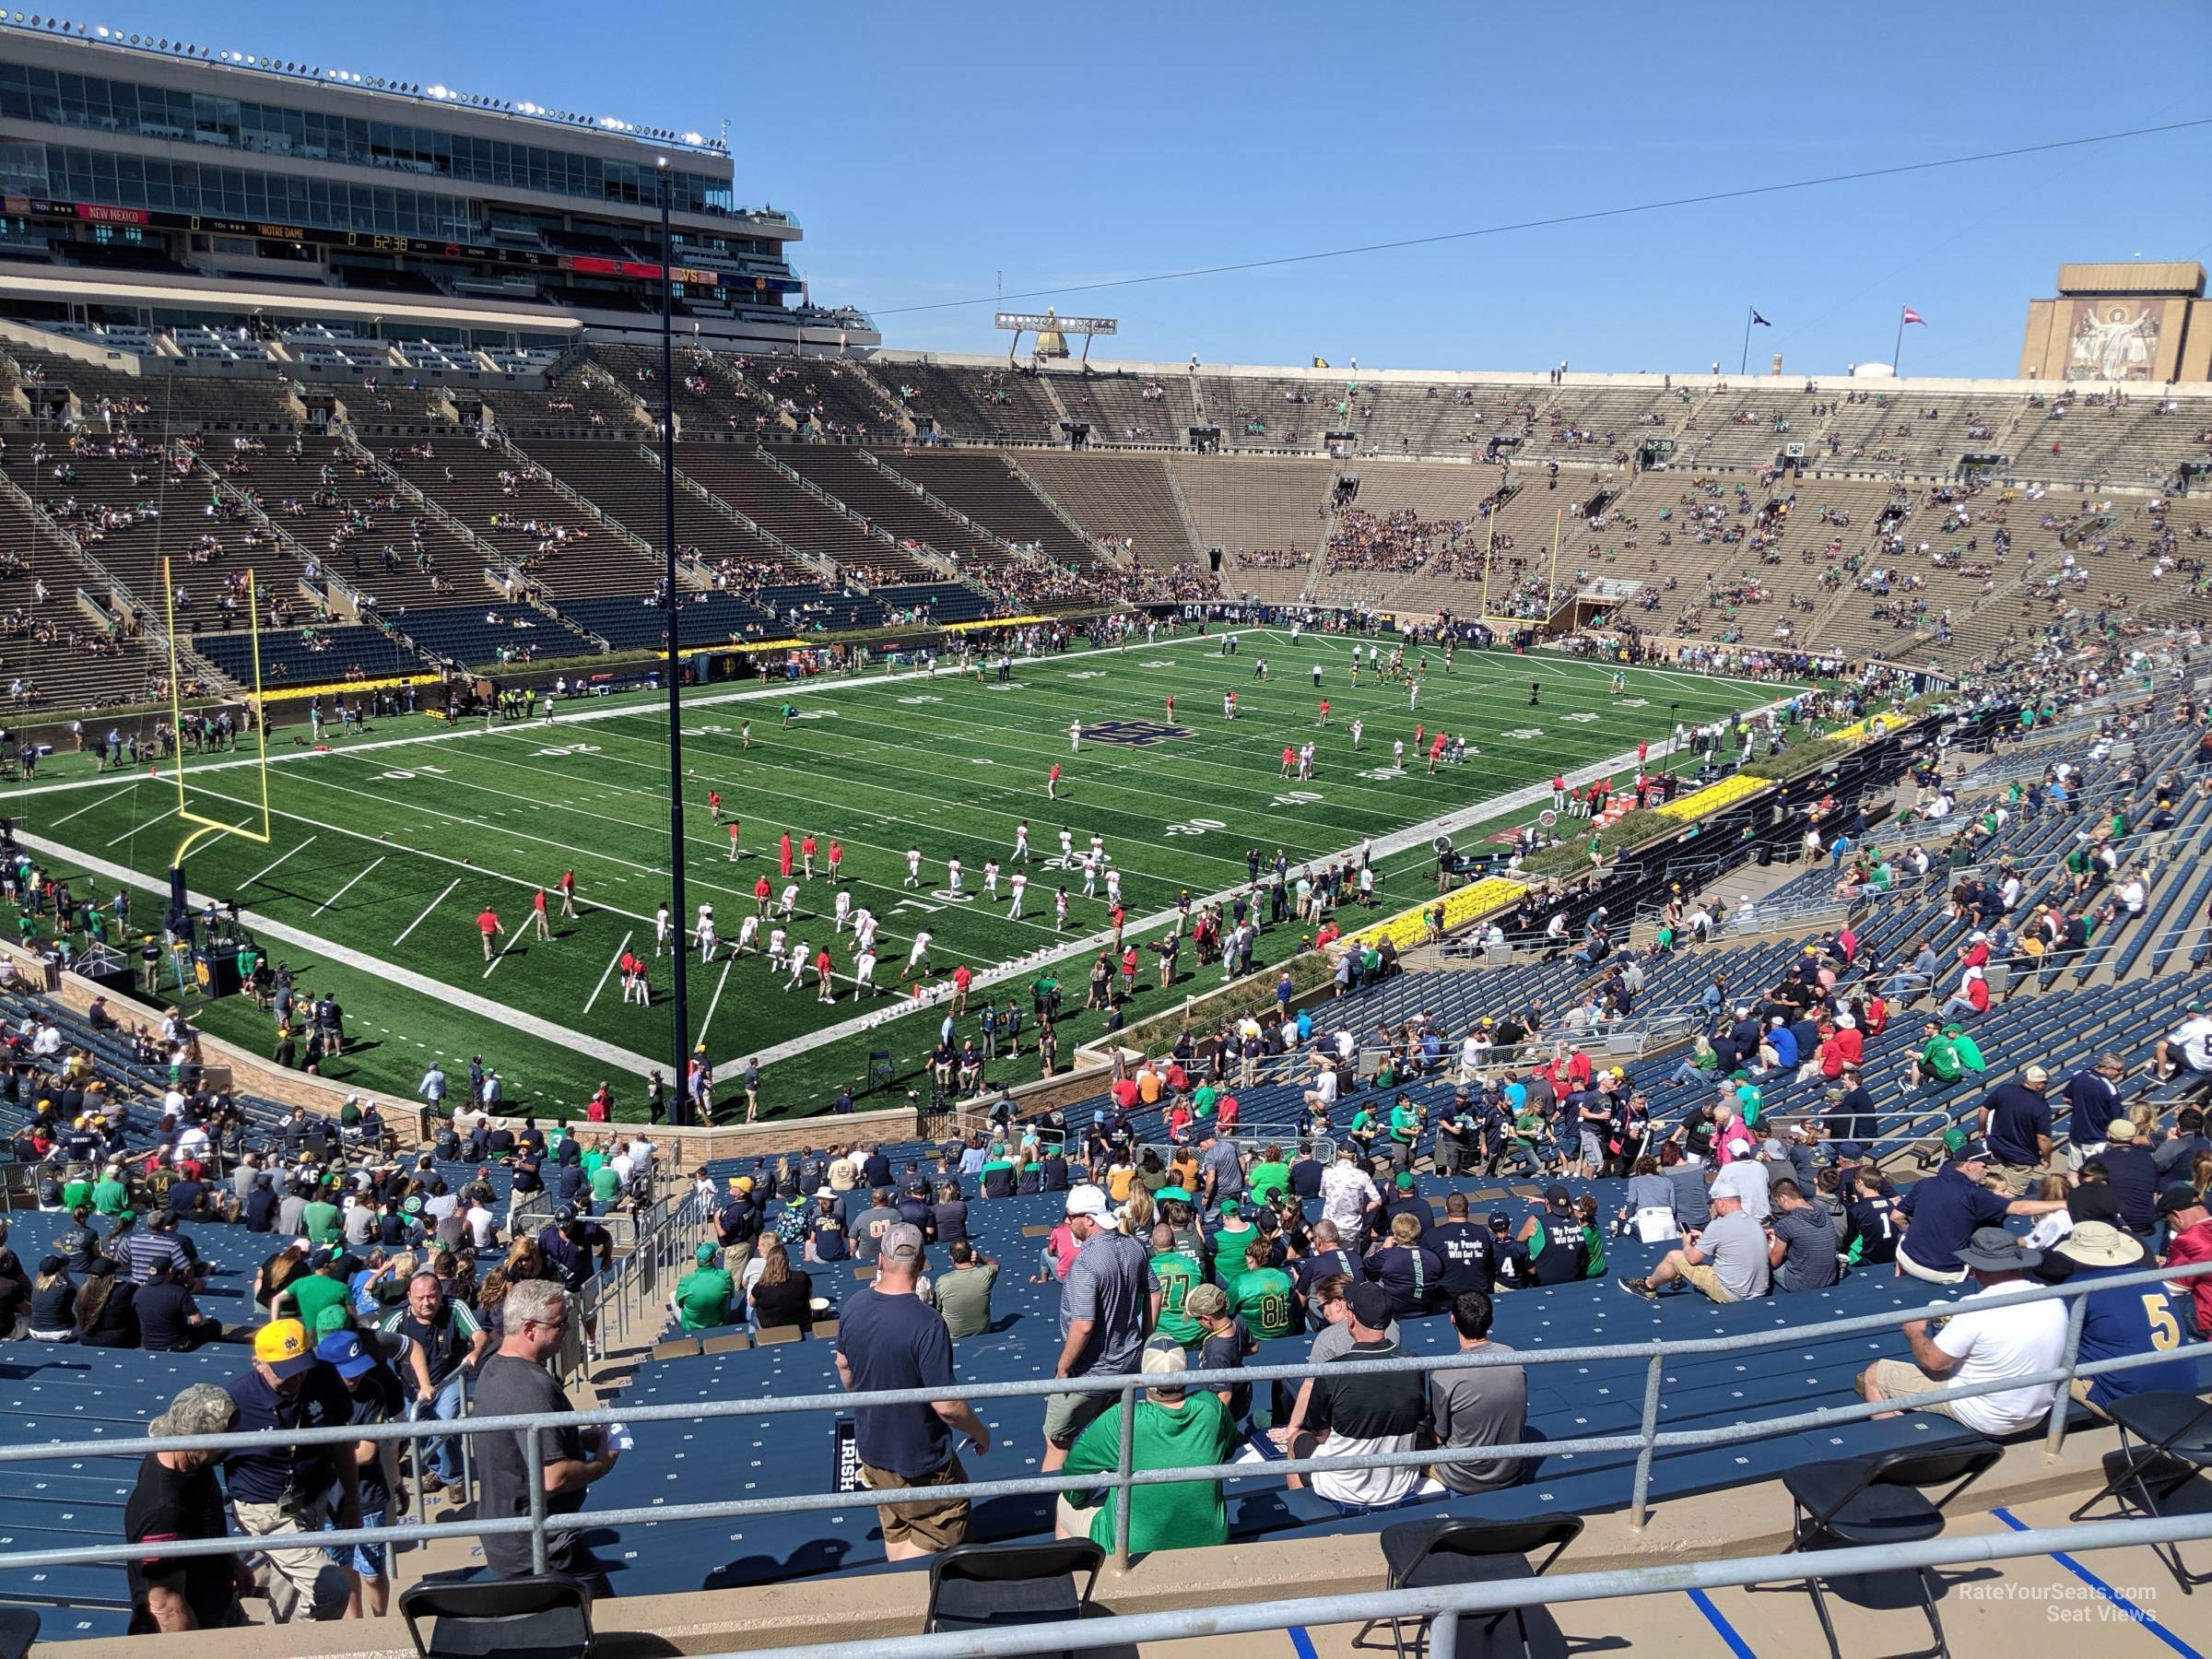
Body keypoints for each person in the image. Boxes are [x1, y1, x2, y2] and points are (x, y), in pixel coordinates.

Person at [835, 1224, 990, 1561]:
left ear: (880, 1259)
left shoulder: (853, 1305)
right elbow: (947, 1406)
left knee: (897, 1526)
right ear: (921, 1264)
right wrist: (979, 1432)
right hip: (921, 1457)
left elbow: (845, 1368)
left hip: (873, 1448)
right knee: (943, 1529)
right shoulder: (927, 1322)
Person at [470, 1278, 619, 1595]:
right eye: (560, 1322)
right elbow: (552, 1477)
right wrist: (602, 1464)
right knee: (605, 1621)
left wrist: (574, 1440)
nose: (566, 1329)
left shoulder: (494, 1368)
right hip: (542, 1547)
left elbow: (521, 1444)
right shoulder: (529, 1387)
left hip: (513, 1538)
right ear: (529, 1329)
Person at [1856, 1229, 2067, 1434]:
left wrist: (1915, 1332)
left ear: (1976, 1269)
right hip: (2035, 1409)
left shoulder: (1975, 1309)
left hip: (1986, 1414)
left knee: (1875, 1373)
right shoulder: (2054, 1300)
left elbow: (1933, 1361)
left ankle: (1895, 1444)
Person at [223, 1319, 361, 1622]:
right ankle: (300, 1648)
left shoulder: (323, 1377)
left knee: (290, 1590)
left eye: (300, 1366)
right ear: (259, 1363)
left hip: (312, 1500)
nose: (296, 1378)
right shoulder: (235, 1401)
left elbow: (341, 1440)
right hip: (264, 1509)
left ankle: (278, 1644)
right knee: (331, 1587)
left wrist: (352, 1499)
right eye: (285, 1371)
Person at [1054, 1345, 1240, 1554]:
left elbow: (1074, 1474)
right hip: (1211, 1540)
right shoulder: (1211, 1407)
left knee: (1064, 1505)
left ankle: (1072, 1583)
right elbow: (1230, 1447)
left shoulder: (1122, 1418)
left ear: (1144, 1377)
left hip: (1134, 1549)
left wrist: (1079, 1498)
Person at [1283, 1282, 1426, 1514]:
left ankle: (1304, 1517)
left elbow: (1321, 1436)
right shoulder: (1415, 1364)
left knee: (1295, 1440)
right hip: (1399, 1480)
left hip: (1344, 1485)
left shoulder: (1332, 1372)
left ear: (1351, 1319)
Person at [125, 1383, 253, 1632]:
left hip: (216, 1602)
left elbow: (205, 1518)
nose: (228, 1448)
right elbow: (167, 1607)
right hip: (194, 1625)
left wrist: (229, 1561)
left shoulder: (190, 1462)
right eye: (223, 1441)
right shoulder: (164, 1510)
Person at [1044, 1185, 1151, 1473]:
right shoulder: (1135, 1246)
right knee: (1112, 1436)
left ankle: (1050, 1510)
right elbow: (1153, 1291)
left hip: (1090, 1369)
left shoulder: (1086, 1263)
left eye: (1070, 1217)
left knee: (1057, 1440)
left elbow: (1083, 1325)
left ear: (1089, 1219)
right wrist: (1146, 1337)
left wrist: (1064, 1368)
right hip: (1127, 1361)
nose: (1067, 1222)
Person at [2044, 1222, 2198, 1417]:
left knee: (2044, 1362)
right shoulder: (2149, 1276)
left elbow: (2054, 1336)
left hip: (2128, 1397)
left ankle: (2053, 1440)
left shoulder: (2077, 1286)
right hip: (2183, 1384)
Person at [316, 1331, 406, 1618]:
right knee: (344, 1570)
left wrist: (322, 1456)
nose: (354, 1377)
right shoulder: (316, 1397)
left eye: (359, 1369)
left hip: (368, 1497)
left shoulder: (372, 1392)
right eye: (347, 1371)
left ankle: (380, 1621)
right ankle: (357, 1625)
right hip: (329, 1501)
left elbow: (366, 1454)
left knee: (372, 1572)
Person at [378, 1270, 488, 1500]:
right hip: (411, 1386)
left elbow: (478, 1333)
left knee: (443, 1426)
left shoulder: (454, 1307)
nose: (427, 1302)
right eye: (420, 1298)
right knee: (420, 1430)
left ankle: (454, 1478)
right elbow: (378, 1345)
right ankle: (438, 1470)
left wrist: (476, 1351)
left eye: (432, 1296)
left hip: (447, 1381)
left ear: (440, 1293)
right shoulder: (398, 1318)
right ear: (410, 1297)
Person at [1895, 1139, 2065, 1283]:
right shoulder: (1975, 1194)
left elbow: (1896, 1217)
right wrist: (2066, 1203)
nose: (1987, 1170)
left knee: (1905, 1237)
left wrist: (1908, 1231)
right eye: (1984, 1166)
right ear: (1969, 1165)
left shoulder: (1926, 1183)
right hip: (1946, 1273)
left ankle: (1897, 1276)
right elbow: (2019, 1209)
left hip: (1907, 1259)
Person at [1428, 1290, 1527, 1494]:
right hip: (1510, 1470)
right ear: (1490, 1320)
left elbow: (1439, 1438)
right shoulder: (1511, 1356)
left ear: (1452, 1319)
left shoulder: (1444, 1373)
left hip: (1463, 1477)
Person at [1619, 1189, 1769, 1302]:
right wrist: (1705, 1240)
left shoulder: (1719, 1225)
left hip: (1732, 1294)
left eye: (1714, 1204)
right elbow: (1733, 1246)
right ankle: (1674, 1277)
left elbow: (1692, 1259)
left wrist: (1686, 1243)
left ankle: (1647, 1286)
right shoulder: (1753, 1222)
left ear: (1721, 1203)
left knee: (1674, 1256)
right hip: (1758, 1291)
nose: (1712, 1208)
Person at [1768, 1180, 1841, 1293]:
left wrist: (1768, 1244)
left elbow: (1774, 1262)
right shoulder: (1824, 1213)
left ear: (1783, 1198)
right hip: (1828, 1279)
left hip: (1800, 1284)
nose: (1778, 1206)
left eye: (1777, 1201)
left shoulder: (1787, 1224)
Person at [935, 1241, 999, 1340]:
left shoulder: (943, 1281)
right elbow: (995, 1264)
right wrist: (980, 1259)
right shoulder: (986, 1274)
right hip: (982, 1332)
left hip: (953, 1335)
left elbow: (936, 1309)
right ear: (971, 1255)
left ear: (952, 1258)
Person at [672, 1243, 735, 1331]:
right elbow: (732, 1296)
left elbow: (679, 1303)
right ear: (714, 1260)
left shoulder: (685, 1281)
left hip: (691, 1327)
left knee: (672, 1294)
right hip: (720, 1323)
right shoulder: (725, 1276)